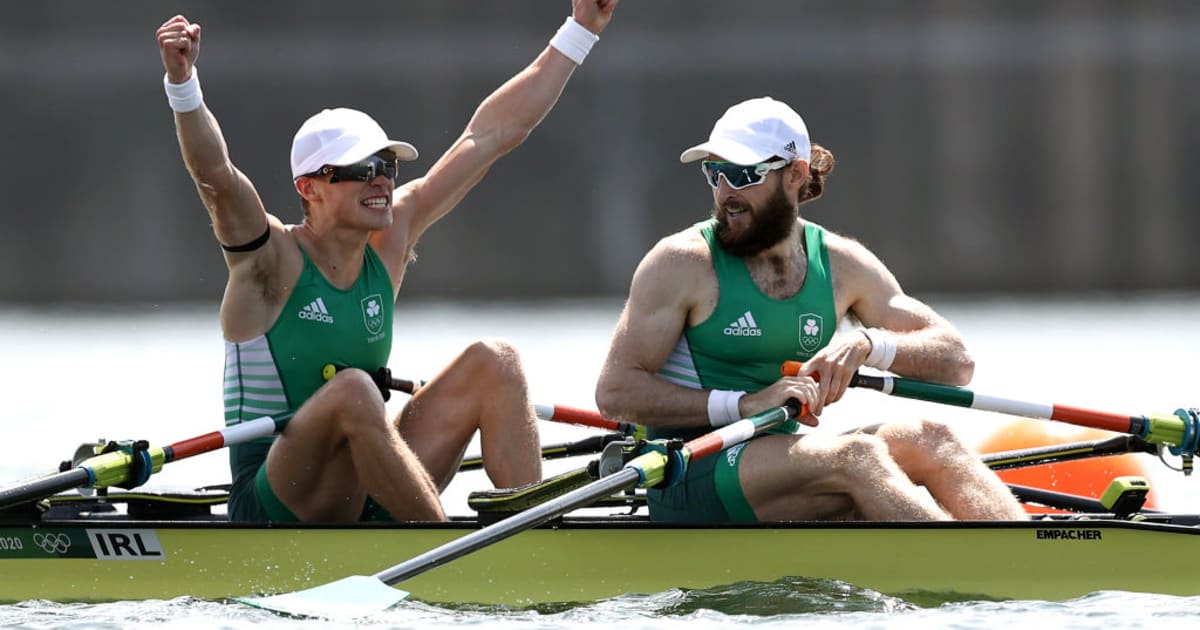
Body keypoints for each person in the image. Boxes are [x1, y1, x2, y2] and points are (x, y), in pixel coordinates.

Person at [155, 1, 620, 523]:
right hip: (276, 500)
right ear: (310, 188)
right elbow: (216, 176)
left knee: (496, 362)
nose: (382, 179)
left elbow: (489, 137)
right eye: (362, 169)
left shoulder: (389, 240)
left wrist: (580, 31)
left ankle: (538, 542)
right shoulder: (269, 263)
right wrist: (183, 84)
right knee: (354, 388)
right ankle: (444, 545)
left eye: (388, 165)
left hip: (361, 480)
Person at [595, 96, 1026, 523]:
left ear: (796, 175)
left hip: (774, 464)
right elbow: (615, 394)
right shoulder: (682, 263)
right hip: (688, 471)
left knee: (933, 438)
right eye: (714, 173)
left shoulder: (841, 265)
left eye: (743, 175)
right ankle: (971, 572)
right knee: (857, 457)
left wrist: (869, 345)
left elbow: (956, 363)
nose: (725, 193)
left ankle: (1027, 562)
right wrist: (744, 404)